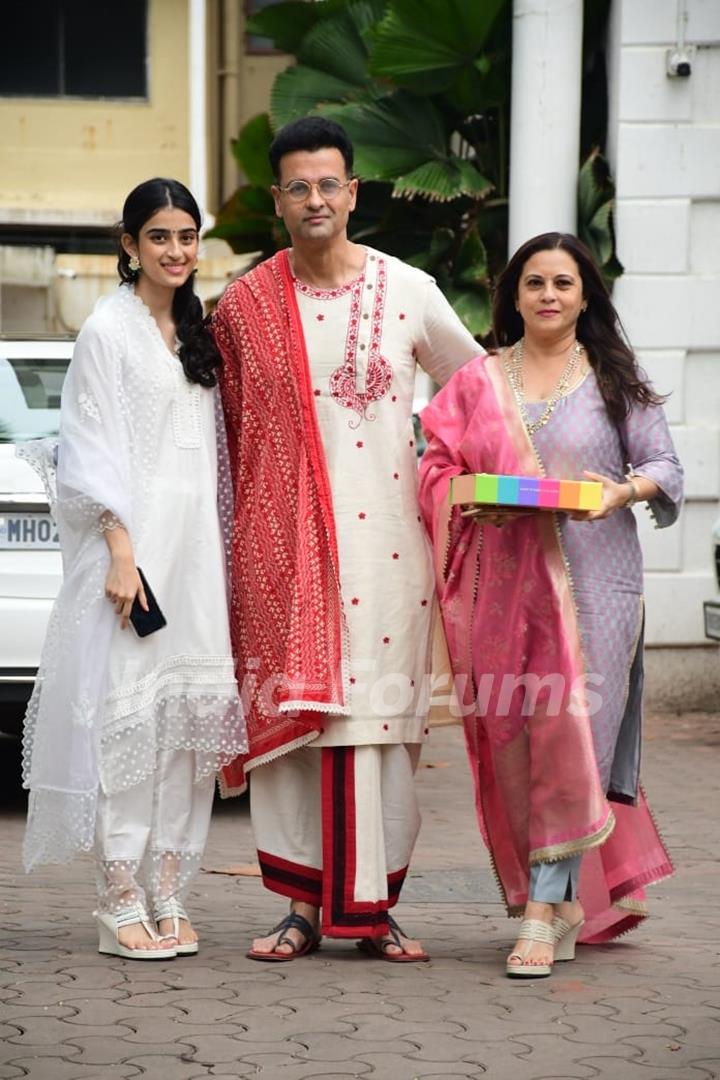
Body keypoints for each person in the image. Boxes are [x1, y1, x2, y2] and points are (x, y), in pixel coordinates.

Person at [212, 116, 481, 961]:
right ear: (280, 202)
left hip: (389, 549)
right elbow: (218, 433)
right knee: (297, 728)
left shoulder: (408, 289)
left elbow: (471, 391)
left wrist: (455, 485)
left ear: (353, 191)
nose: (316, 199)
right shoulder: (246, 306)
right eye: (299, 186)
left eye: (330, 183)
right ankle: (298, 909)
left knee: (377, 731)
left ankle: (373, 910)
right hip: (283, 553)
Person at [418, 231, 683, 978]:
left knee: (574, 738)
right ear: (514, 294)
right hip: (506, 584)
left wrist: (621, 491)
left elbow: (664, 465)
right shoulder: (477, 379)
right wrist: (469, 503)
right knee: (518, 736)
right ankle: (559, 903)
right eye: (534, 283)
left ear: (586, 295)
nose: (548, 296)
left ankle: (543, 907)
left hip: (597, 583)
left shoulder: (611, 379)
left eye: (563, 284)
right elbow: (437, 465)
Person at [20, 178, 246, 960]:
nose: (176, 251)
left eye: (187, 236)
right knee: (130, 723)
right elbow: (87, 448)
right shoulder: (107, 332)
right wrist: (120, 550)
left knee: (185, 728)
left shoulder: (197, 329)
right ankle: (118, 899)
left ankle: (171, 890)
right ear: (128, 245)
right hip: (135, 555)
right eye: (159, 236)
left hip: (198, 557)